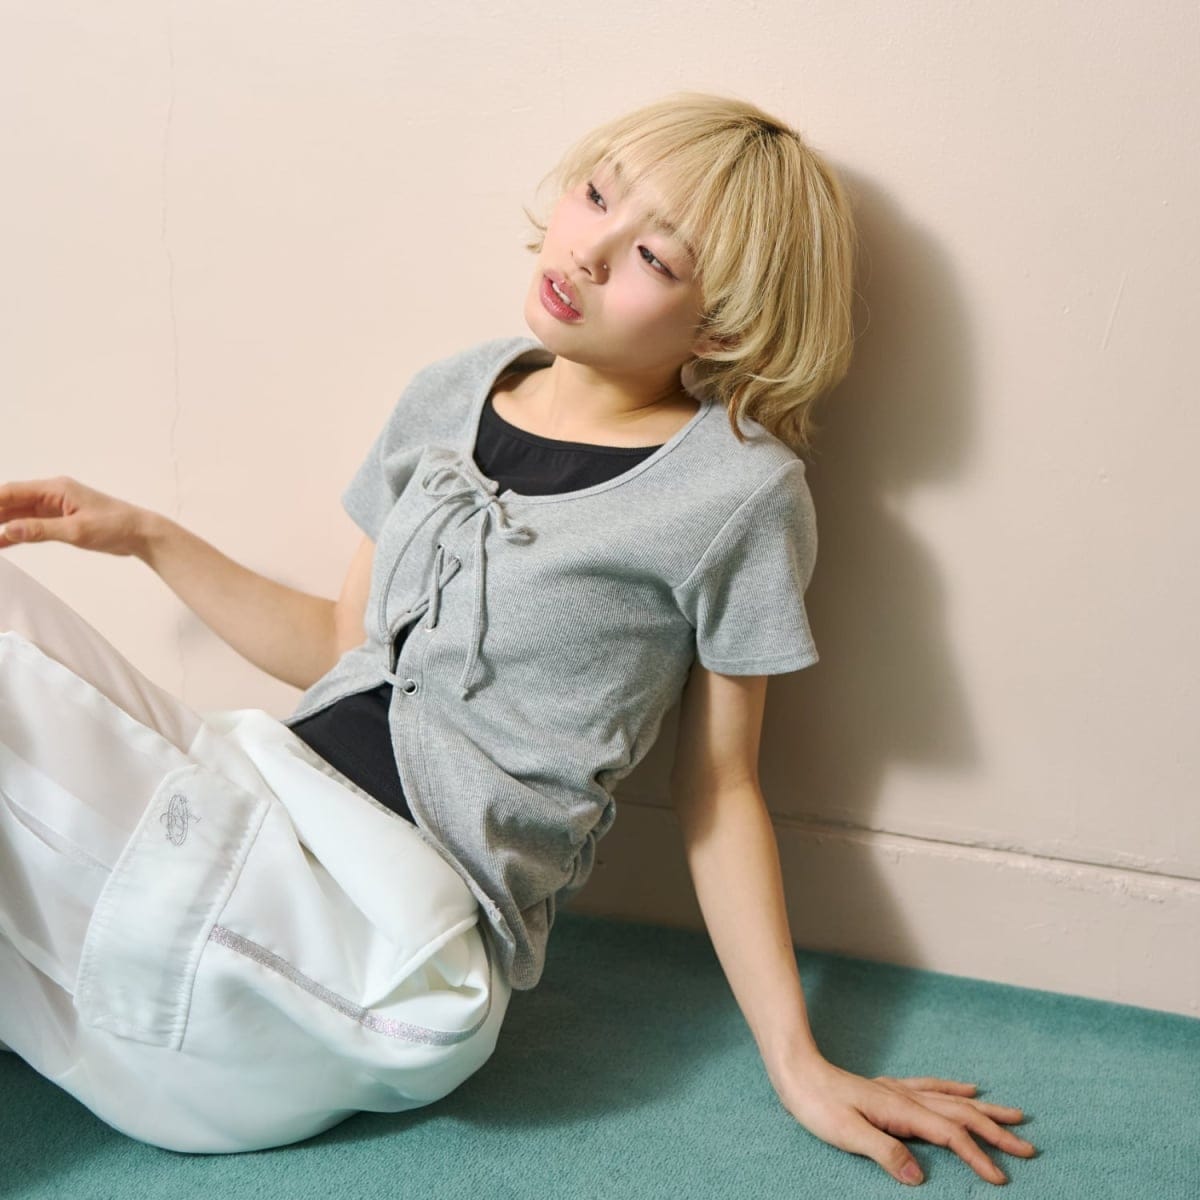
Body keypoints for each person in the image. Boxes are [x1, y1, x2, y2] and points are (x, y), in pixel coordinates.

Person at [0, 92, 1036, 1184]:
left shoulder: (738, 494)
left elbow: (720, 789)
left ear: (722, 327)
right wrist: (145, 536)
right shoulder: (450, 391)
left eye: (652, 257)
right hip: (263, 806)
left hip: (392, 935)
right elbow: (343, 649)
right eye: (595, 195)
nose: (587, 250)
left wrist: (799, 1062)